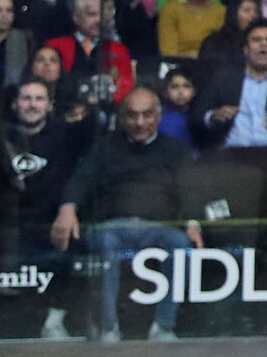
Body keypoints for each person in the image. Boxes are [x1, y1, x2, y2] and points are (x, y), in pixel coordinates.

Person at [54, 87, 203, 342]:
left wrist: (192, 223)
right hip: (111, 227)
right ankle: (108, 328)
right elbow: (81, 179)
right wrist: (67, 208)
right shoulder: (104, 146)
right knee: (105, 243)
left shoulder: (176, 150)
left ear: (158, 116)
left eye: (147, 115)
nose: (140, 123)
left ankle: (164, 327)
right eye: (132, 116)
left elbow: (191, 190)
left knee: (180, 244)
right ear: (122, 117)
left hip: (160, 227)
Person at [0, 79, 89, 339]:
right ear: (15, 104)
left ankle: (54, 321)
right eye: (26, 98)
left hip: (49, 218)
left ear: (50, 105)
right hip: (4, 218)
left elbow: (80, 173)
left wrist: (66, 209)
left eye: (39, 99)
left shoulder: (65, 138)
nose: (32, 105)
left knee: (71, 242)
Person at [188, 21, 267, 225]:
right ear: (245, 49)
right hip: (231, 153)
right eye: (256, 40)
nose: (263, 45)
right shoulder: (223, 77)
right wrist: (214, 115)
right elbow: (196, 116)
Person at [47, 0, 135, 106]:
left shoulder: (118, 50)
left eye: (101, 15)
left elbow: (126, 88)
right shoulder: (55, 46)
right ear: (76, 17)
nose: (98, 20)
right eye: (91, 14)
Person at [158, 0, 228, 60]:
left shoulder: (221, 11)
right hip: (179, 65)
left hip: (212, 65)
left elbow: (223, 50)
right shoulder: (171, 10)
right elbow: (169, 53)